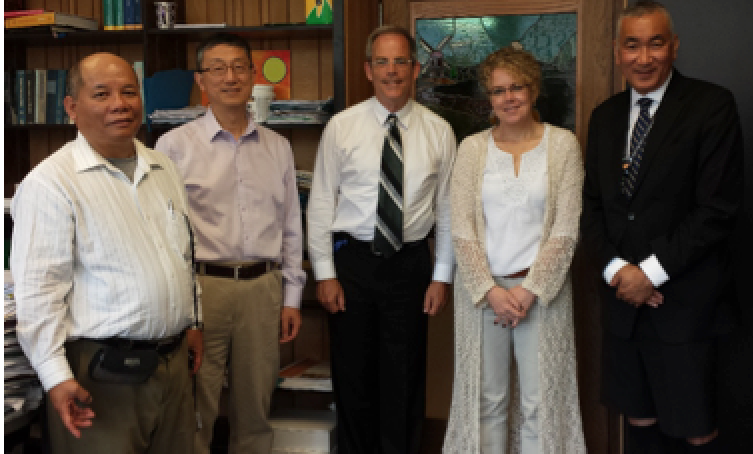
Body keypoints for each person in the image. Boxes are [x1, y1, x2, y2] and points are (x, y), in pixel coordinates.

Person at [10, 52, 203, 454]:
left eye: (129, 92)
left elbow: (182, 255)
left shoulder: (163, 167)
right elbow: (38, 294)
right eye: (102, 93)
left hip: (174, 364)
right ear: (72, 107)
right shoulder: (50, 183)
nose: (120, 103)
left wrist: (192, 320)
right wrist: (57, 378)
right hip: (101, 376)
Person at [580, 2, 743, 453]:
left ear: (674, 46)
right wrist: (617, 271)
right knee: (639, 421)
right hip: (623, 309)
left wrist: (648, 273)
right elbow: (591, 207)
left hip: (686, 305)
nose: (644, 57)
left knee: (697, 429)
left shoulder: (712, 105)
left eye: (655, 43)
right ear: (617, 51)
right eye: (632, 45)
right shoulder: (605, 115)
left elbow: (717, 210)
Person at [307, 24, 456, 454]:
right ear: (368, 69)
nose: (392, 71)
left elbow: (447, 211)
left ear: (416, 69)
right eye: (383, 62)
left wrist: (441, 276)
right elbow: (320, 203)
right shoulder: (342, 126)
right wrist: (325, 273)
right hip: (352, 264)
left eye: (401, 62)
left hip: (410, 264)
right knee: (353, 378)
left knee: (405, 378)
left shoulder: (438, 131)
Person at [154, 32, 305, 454]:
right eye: (217, 68)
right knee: (196, 404)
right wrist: (182, 308)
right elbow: (166, 235)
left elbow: (292, 225)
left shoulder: (278, 147)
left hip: (263, 288)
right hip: (204, 289)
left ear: (253, 76)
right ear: (202, 80)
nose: (230, 77)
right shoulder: (174, 147)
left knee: (256, 404)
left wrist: (292, 297)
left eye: (239, 66)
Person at [442, 45, 586, 454]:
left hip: (542, 294)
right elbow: (462, 231)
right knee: (487, 402)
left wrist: (529, 290)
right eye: (498, 90)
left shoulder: (563, 146)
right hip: (483, 296)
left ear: (534, 89)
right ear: (489, 98)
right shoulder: (472, 149)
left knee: (541, 405)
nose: (509, 98)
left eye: (517, 87)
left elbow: (566, 229)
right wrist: (490, 290)